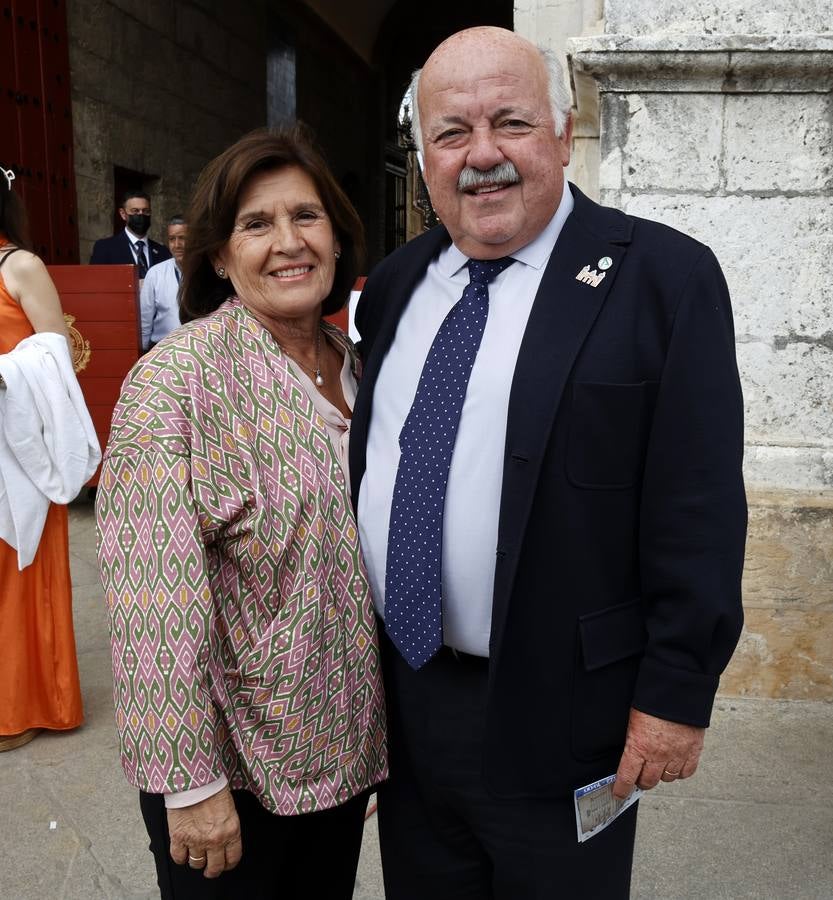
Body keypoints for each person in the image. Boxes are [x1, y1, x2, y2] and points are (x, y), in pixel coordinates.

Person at [349, 26, 746, 899]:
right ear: (422, 157)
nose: (480, 155)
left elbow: (698, 506)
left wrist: (674, 694)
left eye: (511, 123)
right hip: (408, 703)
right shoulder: (395, 287)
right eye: (451, 132)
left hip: (569, 711)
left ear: (564, 134)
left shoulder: (663, 280)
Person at [95, 128, 387, 899]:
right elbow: (149, 601)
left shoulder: (359, 366)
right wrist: (188, 784)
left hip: (338, 755)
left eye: (306, 216)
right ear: (220, 256)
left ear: (337, 237)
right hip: (231, 776)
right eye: (256, 224)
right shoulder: (175, 383)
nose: (288, 242)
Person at [0, 166, 91, 751]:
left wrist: (3, 373)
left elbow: (55, 356)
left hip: (17, 448)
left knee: (18, 573)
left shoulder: (20, 266)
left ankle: (23, 706)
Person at [89, 190, 171, 276]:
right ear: (123, 214)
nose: (141, 215)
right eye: (135, 211)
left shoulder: (163, 252)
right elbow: (96, 280)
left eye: (145, 211)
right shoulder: (105, 248)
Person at [139, 215, 187, 350]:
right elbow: (145, 321)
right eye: (172, 239)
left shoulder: (206, 272)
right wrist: (143, 354)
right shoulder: (155, 274)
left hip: (198, 349)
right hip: (163, 350)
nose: (177, 245)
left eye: (182, 238)